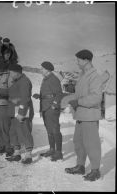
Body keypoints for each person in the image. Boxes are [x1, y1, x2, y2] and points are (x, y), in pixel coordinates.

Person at [63, 49, 103, 181]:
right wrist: (66, 101)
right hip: (81, 115)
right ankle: (80, 166)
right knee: (78, 142)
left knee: (92, 144)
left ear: (86, 60)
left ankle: (95, 170)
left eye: (78, 60)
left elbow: (96, 98)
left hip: (90, 116)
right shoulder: (82, 75)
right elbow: (77, 95)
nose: (77, 62)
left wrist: (78, 102)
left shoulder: (94, 76)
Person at [33, 61, 63, 161]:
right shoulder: (46, 79)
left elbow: (59, 93)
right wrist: (40, 96)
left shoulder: (53, 79)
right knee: (49, 130)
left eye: (42, 68)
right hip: (45, 107)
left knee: (55, 130)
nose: (41, 70)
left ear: (47, 70)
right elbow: (49, 93)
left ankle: (58, 152)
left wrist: (54, 105)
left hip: (51, 108)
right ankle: (52, 149)